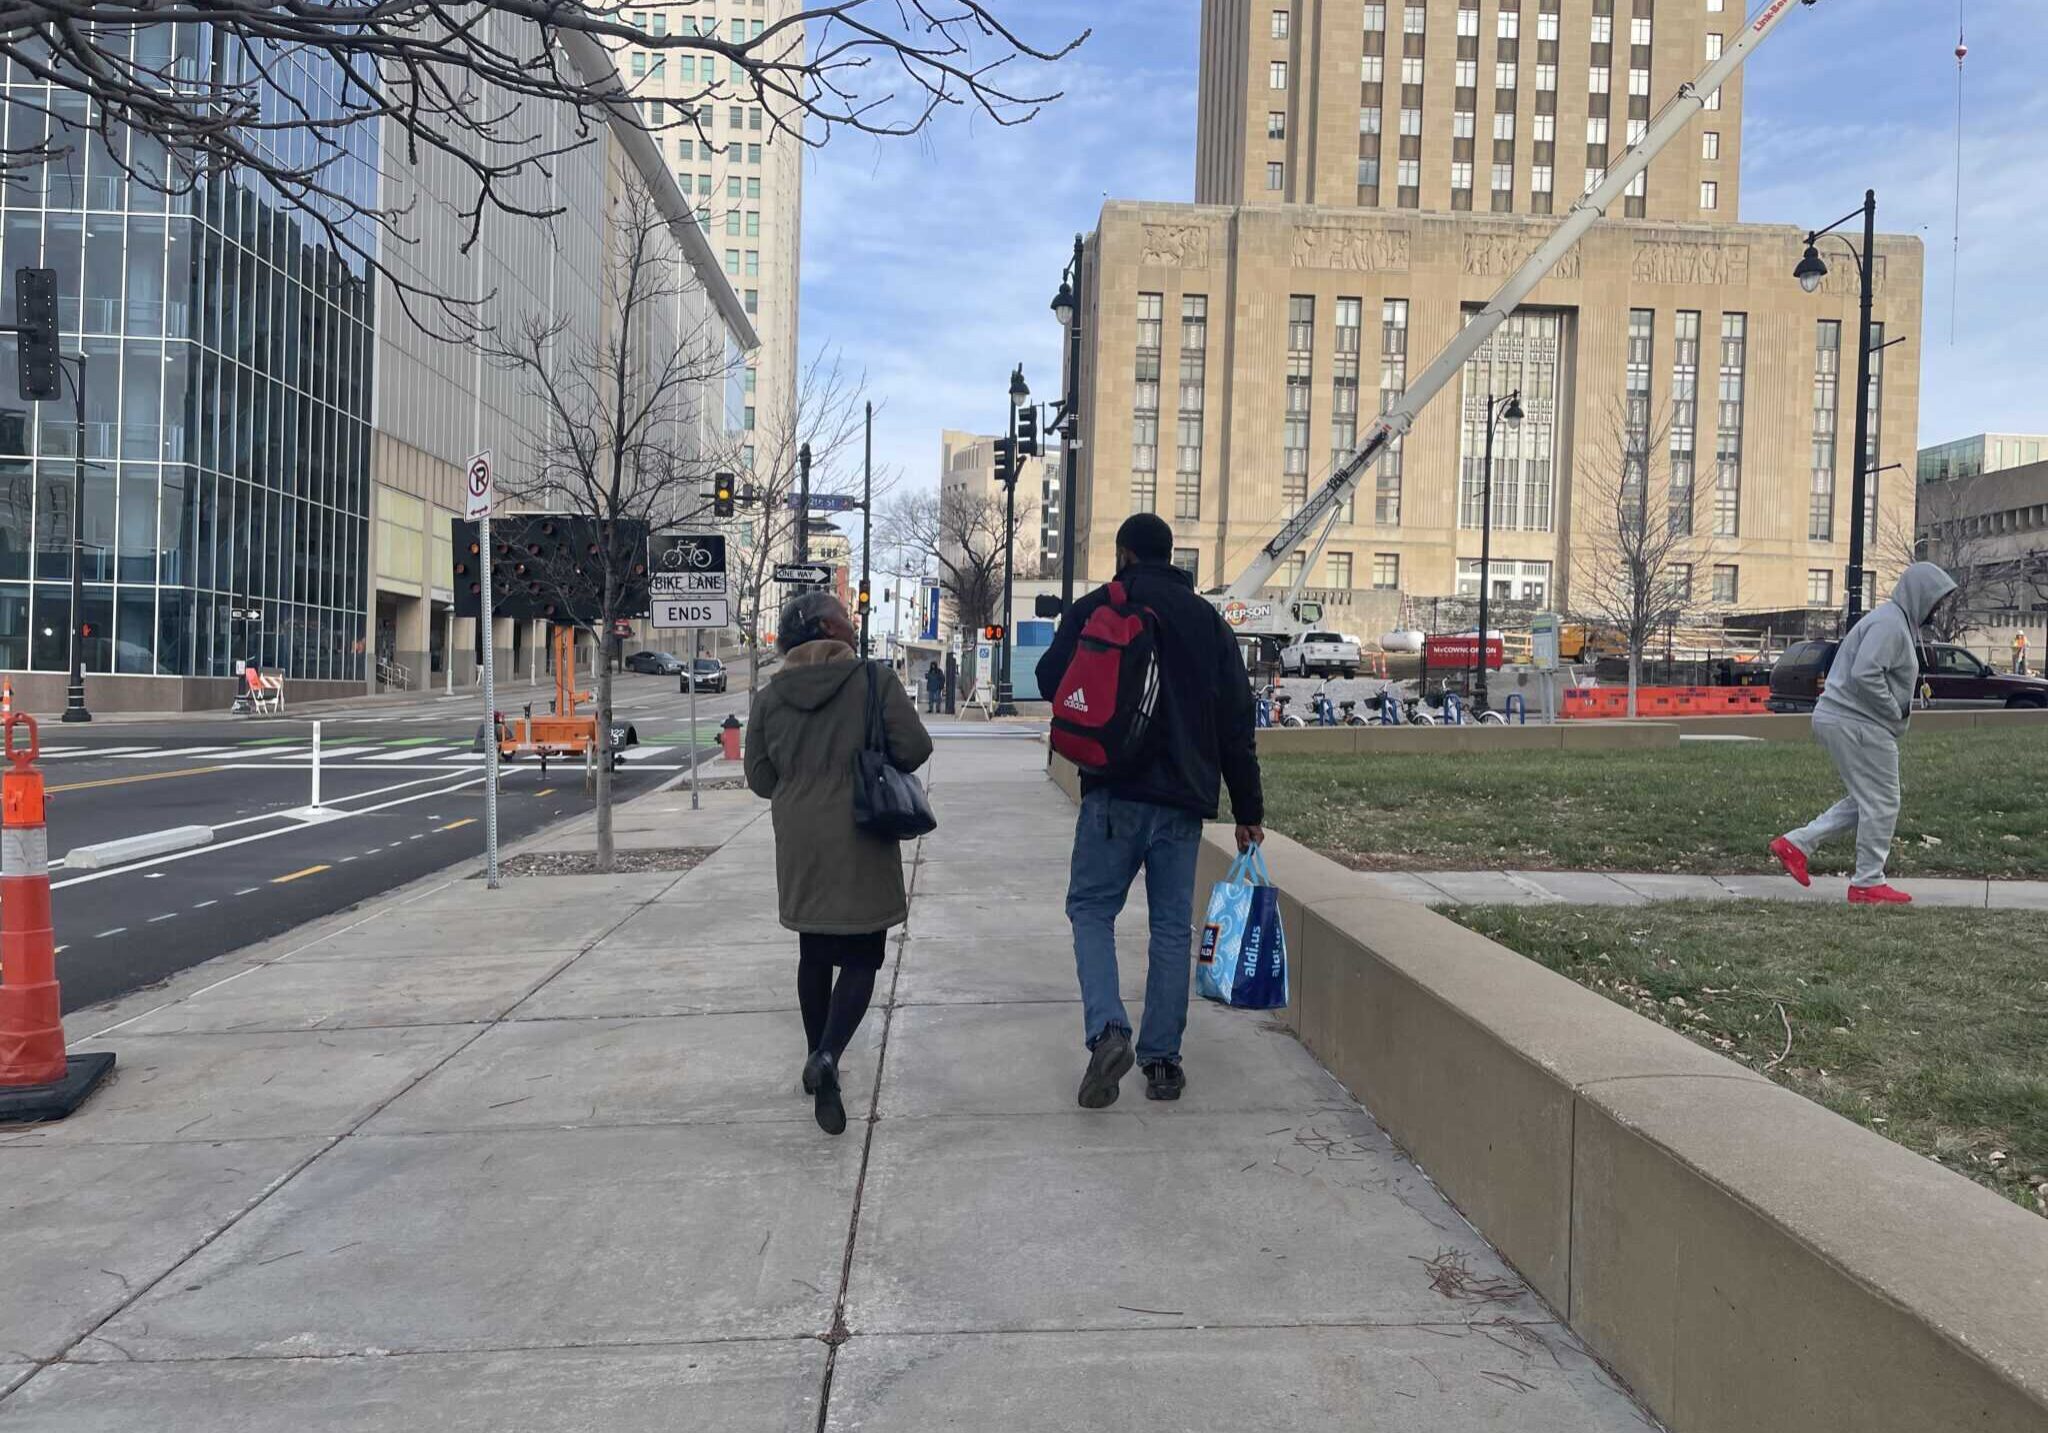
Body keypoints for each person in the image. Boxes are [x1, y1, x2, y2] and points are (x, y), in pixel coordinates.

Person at [1035, 513, 1264, 1108]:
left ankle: (1109, 1030)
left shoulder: (1098, 606)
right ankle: (1162, 1063)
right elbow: (1238, 722)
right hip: (1183, 798)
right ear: (1173, 559)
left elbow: (1047, 677)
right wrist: (1247, 808)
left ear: (1125, 555)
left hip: (1113, 791)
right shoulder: (1208, 622)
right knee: (1169, 928)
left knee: (1090, 909)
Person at [745, 591, 933, 1134]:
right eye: (846, 618)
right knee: (862, 953)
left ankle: (817, 1057)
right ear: (831, 627)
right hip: (861, 826)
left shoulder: (771, 695)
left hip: (800, 834)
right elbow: (915, 748)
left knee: (814, 949)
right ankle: (828, 1055)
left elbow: (760, 780)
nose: (853, 625)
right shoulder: (873, 681)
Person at [1771, 561, 1957, 906]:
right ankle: (1868, 883)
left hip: (1846, 719)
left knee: (1867, 799)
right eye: (1936, 600)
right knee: (1883, 801)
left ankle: (1797, 844)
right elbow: (1865, 673)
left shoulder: (1893, 621)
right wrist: (1894, 709)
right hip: (1858, 722)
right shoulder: (1890, 625)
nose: (1938, 608)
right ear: (1921, 595)